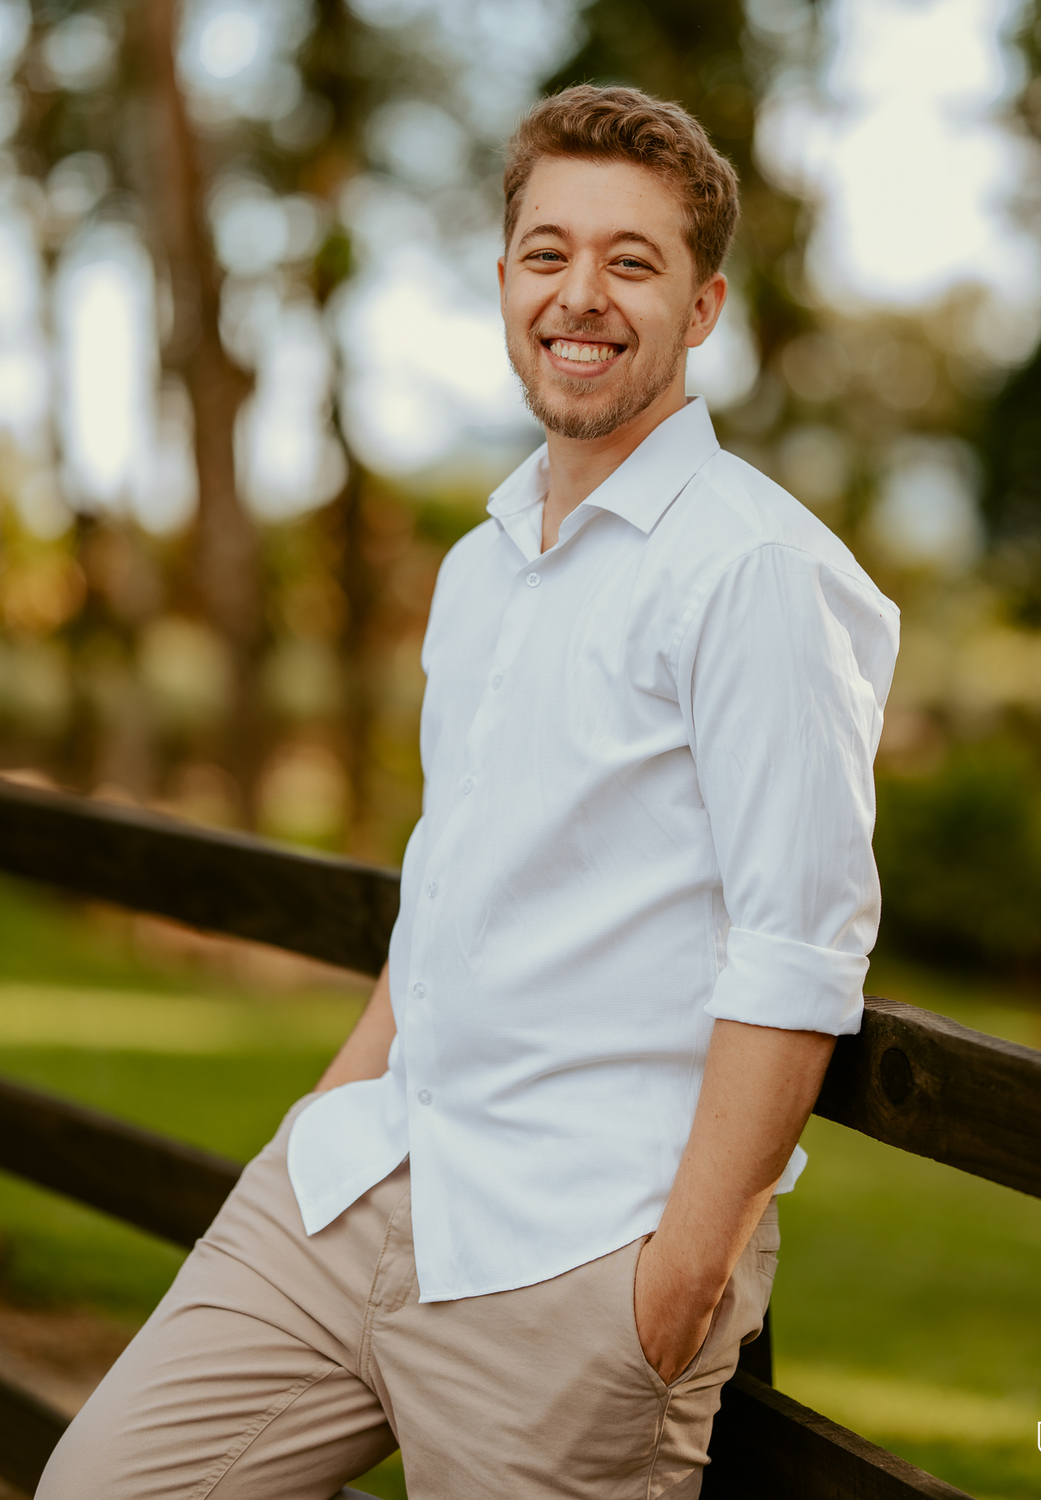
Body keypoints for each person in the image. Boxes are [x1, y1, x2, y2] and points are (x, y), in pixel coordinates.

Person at [37, 84, 898, 1500]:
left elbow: (797, 954)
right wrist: (323, 1117)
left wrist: (672, 1292)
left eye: (633, 261)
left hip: (574, 1258)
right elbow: (449, 879)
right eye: (549, 253)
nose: (582, 293)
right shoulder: (484, 562)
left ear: (701, 308)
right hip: (357, 1184)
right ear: (504, 281)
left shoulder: (756, 572)